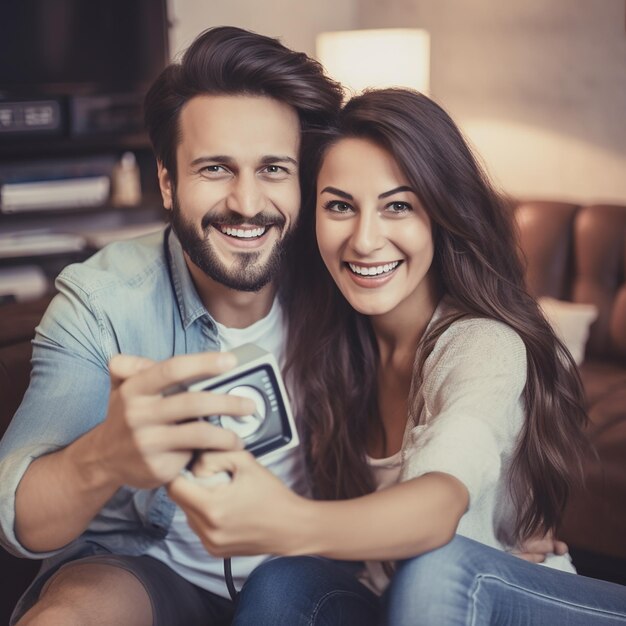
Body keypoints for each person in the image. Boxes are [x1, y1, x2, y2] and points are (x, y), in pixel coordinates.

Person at [168, 88, 626, 625]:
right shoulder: (326, 343)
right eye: (340, 206)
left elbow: (437, 505)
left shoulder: (482, 343)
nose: (365, 240)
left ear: (441, 214)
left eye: (398, 206)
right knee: (282, 580)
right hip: (399, 606)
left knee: (437, 567)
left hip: (497, 604)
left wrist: (289, 521)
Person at [0, 26, 343, 626]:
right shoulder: (102, 300)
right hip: (150, 569)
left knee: (283, 592)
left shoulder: (348, 274)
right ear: (166, 180)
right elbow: (19, 519)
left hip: (314, 573)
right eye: (215, 168)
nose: (245, 202)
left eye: (273, 169)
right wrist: (104, 458)